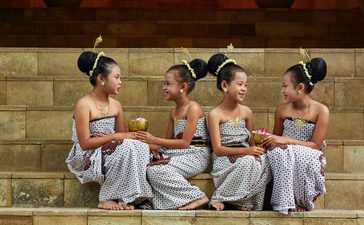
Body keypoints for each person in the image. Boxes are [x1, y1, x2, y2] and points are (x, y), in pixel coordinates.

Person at [66, 51, 153, 210]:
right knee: (125, 146)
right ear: (101, 79)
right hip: (88, 154)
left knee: (140, 146)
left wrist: (119, 137)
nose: (120, 82)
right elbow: (85, 144)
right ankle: (107, 198)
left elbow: (123, 141)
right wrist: (116, 136)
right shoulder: (83, 105)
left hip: (110, 148)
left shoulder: (116, 105)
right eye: (117, 77)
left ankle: (136, 197)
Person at [135, 58, 210, 210]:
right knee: (143, 160)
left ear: (183, 86)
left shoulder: (193, 108)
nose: (164, 87)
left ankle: (197, 196)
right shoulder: (173, 112)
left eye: (168, 84)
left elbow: (185, 143)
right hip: (178, 152)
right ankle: (147, 200)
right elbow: (166, 142)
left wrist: (154, 139)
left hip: (196, 154)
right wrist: (141, 142)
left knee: (155, 169)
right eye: (165, 83)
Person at [262, 57, 328, 214]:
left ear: (300, 87)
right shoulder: (282, 110)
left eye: (285, 86)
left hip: (307, 151)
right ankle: (284, 200)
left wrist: (287, 141)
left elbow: (316, 145)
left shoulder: (321, 111)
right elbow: (275, 139)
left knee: (300, 156)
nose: (283, 90)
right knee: (279, 152)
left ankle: (301, 200)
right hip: (283, 152)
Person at [207, 53, 272, 211]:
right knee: (247, 161)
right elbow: (217, 149)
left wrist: (257, 150)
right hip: (224, 157)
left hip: (245, 154)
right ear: (225, 85)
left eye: (246, 85)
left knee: (265, 161)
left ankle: (240, 202)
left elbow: (251, 141)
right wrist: (246, 151)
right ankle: (221, 197)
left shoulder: (247, 112)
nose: (244, 89)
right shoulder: (215, 114)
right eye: (240, 84)